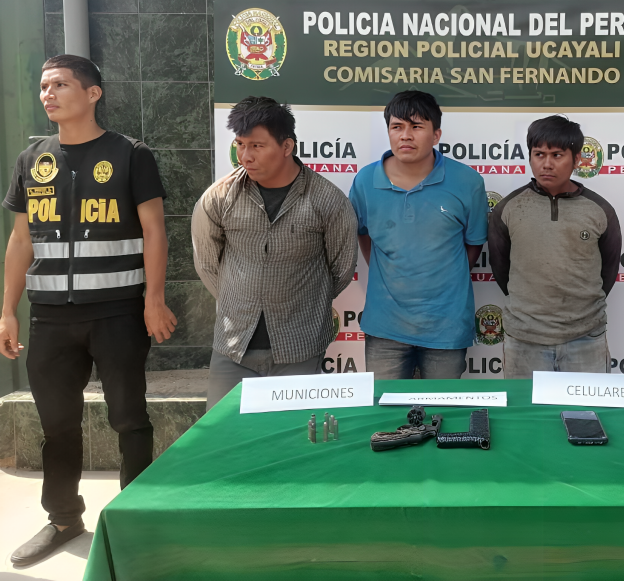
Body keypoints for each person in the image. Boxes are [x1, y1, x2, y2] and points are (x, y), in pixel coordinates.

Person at [0, 55, 177, 565]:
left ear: (93, 93)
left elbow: (154, 230)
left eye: (60, 84)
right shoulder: (32, 159)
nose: (48, 94)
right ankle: (63, 518)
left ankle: (135, 517)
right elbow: (20, 240)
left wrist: (154, 299)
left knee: (129, 418)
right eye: (43, 86)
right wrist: (8, 310)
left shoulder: (130, 154)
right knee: (57, 425)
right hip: (51, 317)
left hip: (117, 313)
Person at [192, 97, 357, 409]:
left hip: (299, 349)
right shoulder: (219, 198)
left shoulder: (327, 200)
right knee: (225, 434)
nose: (245, 156)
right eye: (240, 144)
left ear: (286, 146)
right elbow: (207, 263)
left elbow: (341, 268)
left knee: (291, 436)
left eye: (257, 146)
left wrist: (298, 302)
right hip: (233, 347)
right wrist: (240, 299)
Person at [348, 91, 488, 379]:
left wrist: (446, 278)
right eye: (397, 127)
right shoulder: (365, 181)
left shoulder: (467, 181)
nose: (405, 136)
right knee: (383, 405)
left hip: (446, 326)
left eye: (416, 126)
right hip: (385, 326)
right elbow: (363, 234)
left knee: (442, 406)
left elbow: (473, 244)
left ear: (436, 135)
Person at [488, 116, 621, 378]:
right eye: (539, 154)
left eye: (557, 155)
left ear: (577, 158)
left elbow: (608, 271)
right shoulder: (508, 208)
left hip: (585, 337)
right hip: (524, 339)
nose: (547, 164)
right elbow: (501, 269)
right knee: (525, 407)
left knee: (587, 406)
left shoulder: (600, 210)